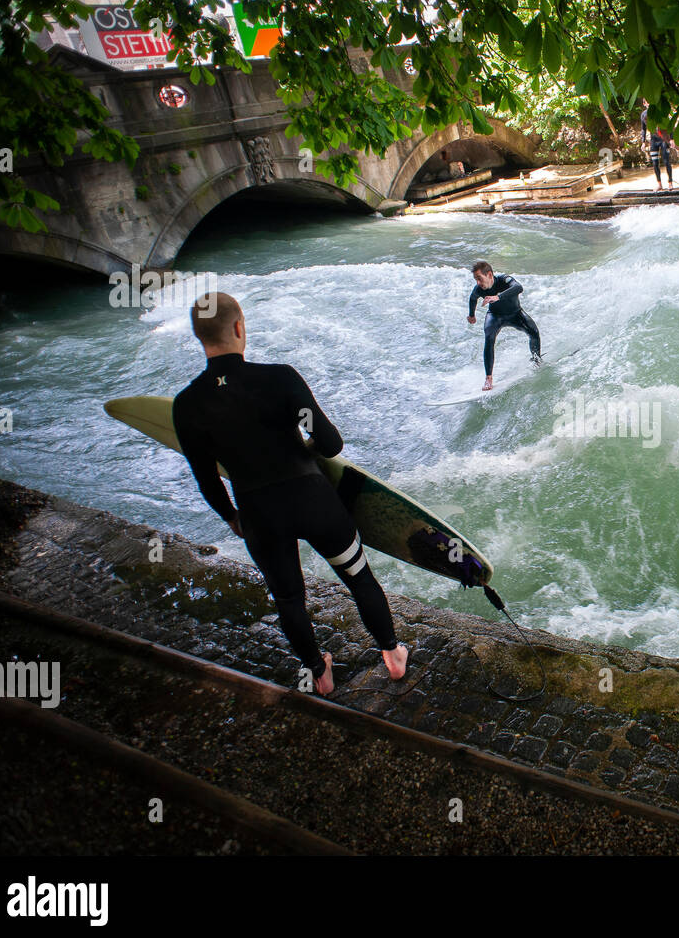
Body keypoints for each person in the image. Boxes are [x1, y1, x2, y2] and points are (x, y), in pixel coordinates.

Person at [172, 293, 409, 697]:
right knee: (358, 577)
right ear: (239, 328)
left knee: (288, 598)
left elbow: (206, 480)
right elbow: (330, 443)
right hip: (313, 501)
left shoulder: (187, 405)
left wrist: (233, 517)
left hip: (259, 513)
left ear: (199, 336)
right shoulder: (279, 378)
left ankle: (320, 673)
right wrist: (305, 452)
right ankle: (391, 656)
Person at [467, 261, 541, 390]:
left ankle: (537, 361)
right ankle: (488, 379)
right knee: (489, 339)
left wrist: (498, 297)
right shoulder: (479, 289)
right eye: (475, 279)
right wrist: (471, 315)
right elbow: (473, 298)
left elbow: (519, 287)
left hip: (516, 314)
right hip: (495, 316)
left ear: (489, 274)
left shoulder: (504, 280)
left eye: (479, 278)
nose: (478, 283)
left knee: (534, 332)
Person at [648, 125, 677, 190]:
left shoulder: (662, 115)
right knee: (655, 163)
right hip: (653, 140)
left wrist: (672, 139)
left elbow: (670, 125)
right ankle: (659, 184)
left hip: (663, 139)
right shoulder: (644, 116)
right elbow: (643, 128)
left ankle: (670, 183)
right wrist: (643, 142)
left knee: (666, 161)